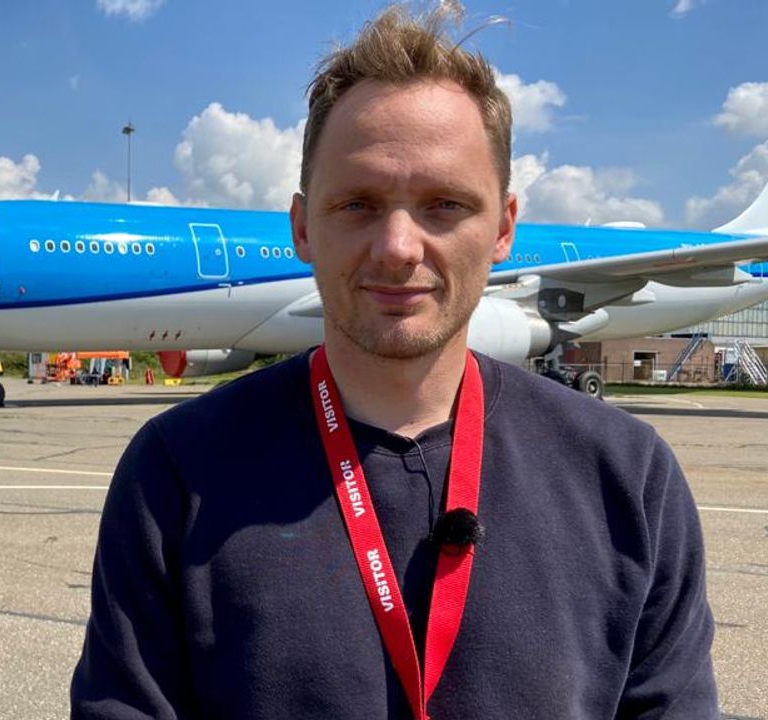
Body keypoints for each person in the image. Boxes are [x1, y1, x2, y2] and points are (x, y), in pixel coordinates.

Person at [71, 4, 719, 718]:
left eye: (445, 204)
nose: (399, 247)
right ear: (301, 227)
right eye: (357, 204)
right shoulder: (175, 473)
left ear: (504, 228)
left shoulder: (627, 475)